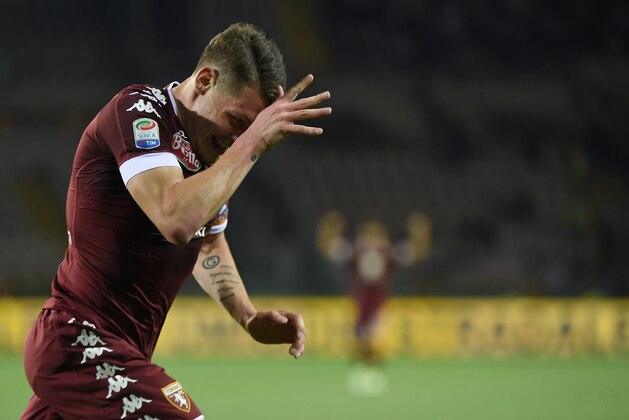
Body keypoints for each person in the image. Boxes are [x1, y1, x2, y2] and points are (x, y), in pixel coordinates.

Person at [21, 23, 332, 419]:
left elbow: (206, 240)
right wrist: (255, 142)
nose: (239, 139)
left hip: (115, 353)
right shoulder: (138, 111)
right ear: (204, 81)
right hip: (79, 338)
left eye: (249, 129)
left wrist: (248, 315)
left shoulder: (206, 155)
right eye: (238, 121)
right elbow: (176, 220)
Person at [317, 211, 431, 366]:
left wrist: (420, 235)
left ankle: (369, 355)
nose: (372, 240)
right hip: (360, 301)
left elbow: (415, 254)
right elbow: (329, 249)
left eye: (376, 236)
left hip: (380, 301)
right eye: (368, 235)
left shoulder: (387, 252)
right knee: (364, 337)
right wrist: (328, 230)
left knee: (373, 337)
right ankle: (365, 354)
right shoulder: (357, 251)